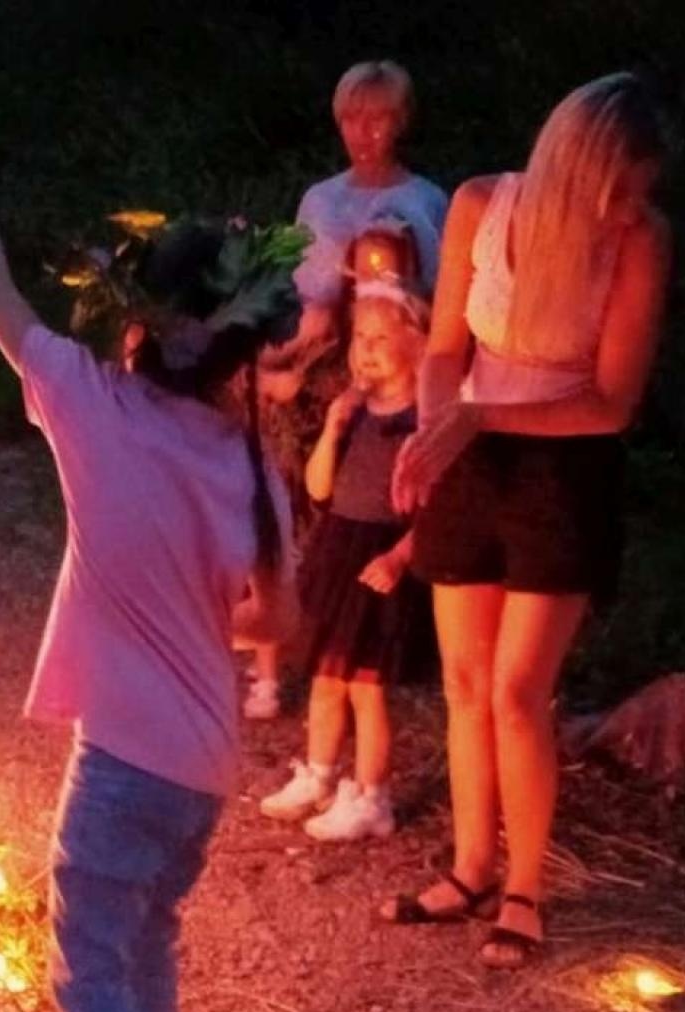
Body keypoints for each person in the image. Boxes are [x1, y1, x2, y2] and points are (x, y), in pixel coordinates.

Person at [0, 185, 300, 1012]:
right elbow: (274, 625)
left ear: (136, 325)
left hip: (126, 760)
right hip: (205, 765)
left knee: (87, 966)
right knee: (146, 942)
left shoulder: (94, 406)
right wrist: (190, 592)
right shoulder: (253, 465)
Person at [383, 73, 672, 967]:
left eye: (642, 190)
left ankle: (525, 886)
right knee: (464, 682)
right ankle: (471, 867)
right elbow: (442, 352)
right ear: (571, 166)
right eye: (619, 187)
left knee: (516, 692)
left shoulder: (641, 242)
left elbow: (612, 404)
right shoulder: (481, 205)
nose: (630, 207)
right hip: (471, 454)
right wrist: (436, 431)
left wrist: (478, 416)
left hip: (564, 466)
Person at [245, 59, 446, 720]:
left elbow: (433, 307)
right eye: (353, 116)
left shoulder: (425, 202)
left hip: (384, 380)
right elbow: (303, 301)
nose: (365, 130)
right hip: (317, 367)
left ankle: (354, 657)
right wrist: (270, 365)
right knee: (278, 511)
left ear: (402, 120)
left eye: (380, 115)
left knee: (351, 523)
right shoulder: (320, 200)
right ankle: (270, 668)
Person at [257, 226, 433, 841]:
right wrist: (331, 431)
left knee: (366, 687)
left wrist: (402, 556)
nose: (367, 351)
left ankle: (371, 796)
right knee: (327, 677)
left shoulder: (423, 423)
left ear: (418, 345)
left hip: (380, 559)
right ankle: (320, 773)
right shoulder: (353, 412)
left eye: (383, 340)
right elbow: (319, 490)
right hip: (340, 548)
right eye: (361, 339)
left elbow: (436, 507)